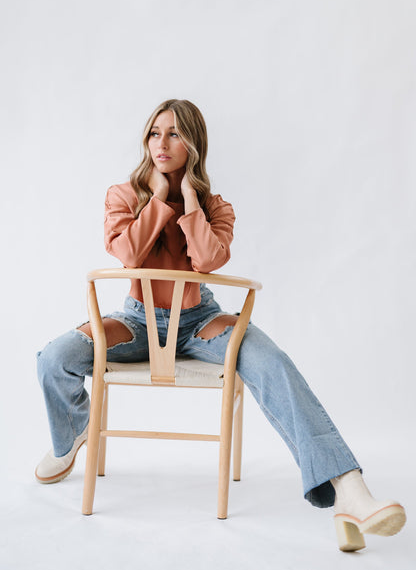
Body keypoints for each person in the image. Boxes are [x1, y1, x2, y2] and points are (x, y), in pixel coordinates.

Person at [36, 99, 406, 552]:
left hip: (200, 321)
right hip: (136, 320)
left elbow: (209, 261)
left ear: (193, 143)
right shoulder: (123, 195)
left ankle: (349, 490)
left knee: (274, 364)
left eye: (174, 133)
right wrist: (157, 198)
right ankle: (72, 434)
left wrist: (190, 201)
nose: (161, 143)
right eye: (154, 133)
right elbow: (129, 254)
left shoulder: (216, 207)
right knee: (55, 358)